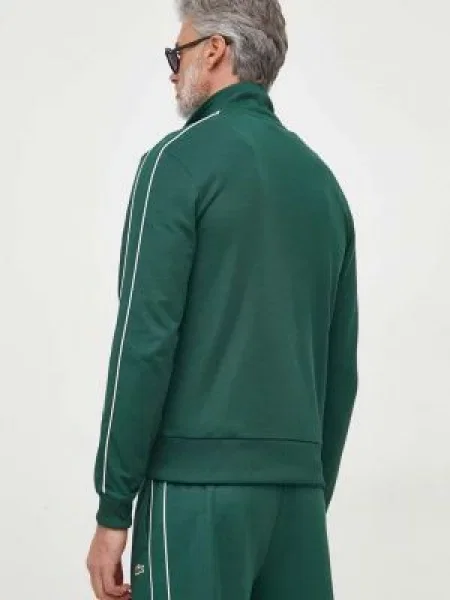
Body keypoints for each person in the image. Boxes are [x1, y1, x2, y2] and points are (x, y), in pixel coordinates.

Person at [86, 1, 359, 599]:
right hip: (297, 501)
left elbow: (144, 341)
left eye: (176, 54)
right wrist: (305, 488)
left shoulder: (175, 163)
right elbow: (341, 369)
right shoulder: (323, 184)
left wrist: (114, 505)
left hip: (194, 496)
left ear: (214, 51)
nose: (172, 71)